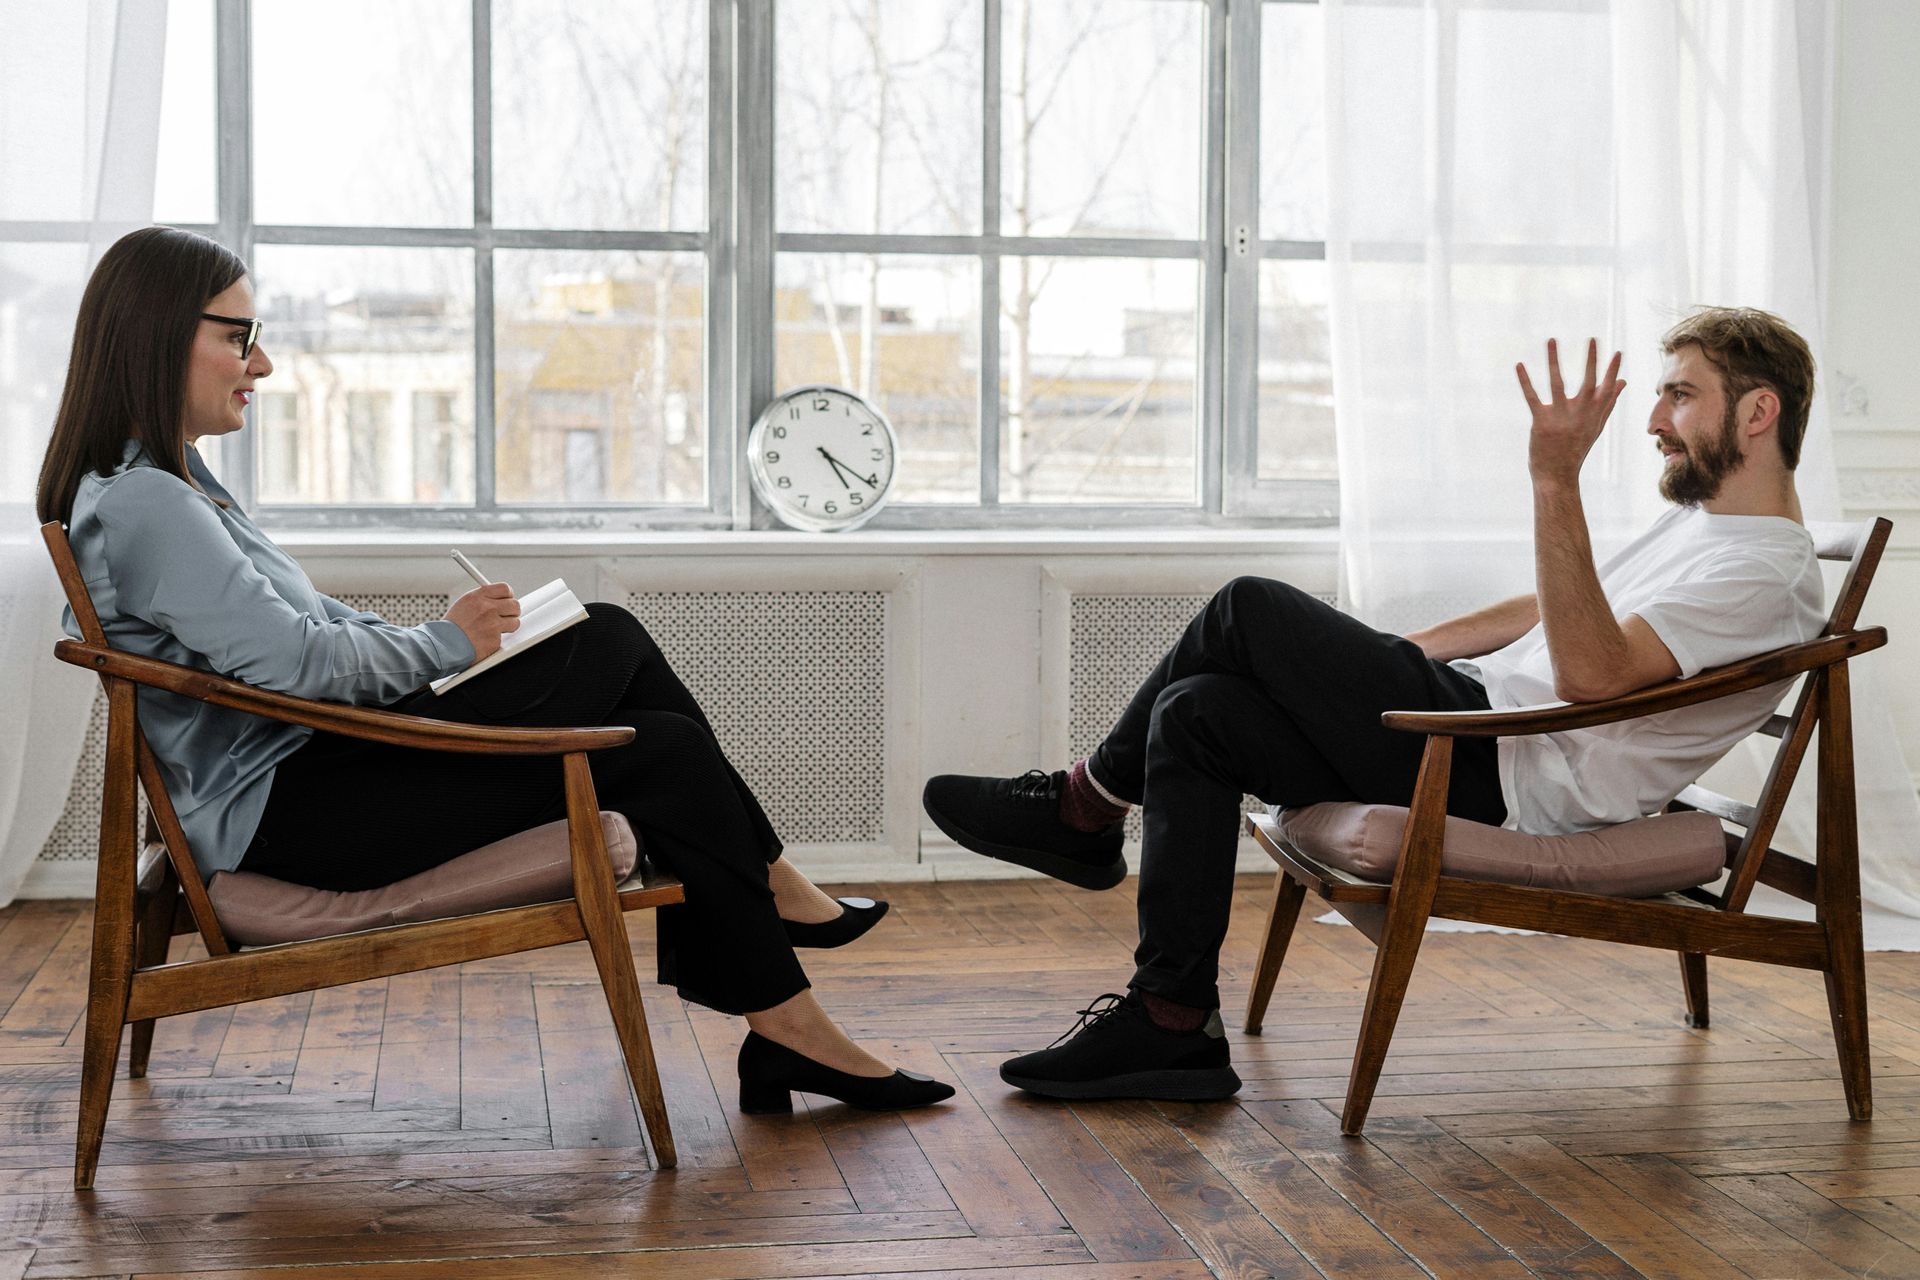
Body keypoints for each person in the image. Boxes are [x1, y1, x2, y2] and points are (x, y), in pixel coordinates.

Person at [37, 226, 952, 1115]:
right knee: (609, 641)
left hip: (312, 779)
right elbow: (295, 664)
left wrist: (451, 645)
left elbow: (301, 629)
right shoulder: (152, 502)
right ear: (159, 335)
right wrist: (447, 645)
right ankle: (777, 912)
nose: (262, 366)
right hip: (295, 814)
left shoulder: (171, 484)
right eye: (241, 339)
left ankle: (788, 1019)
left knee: (657, 735)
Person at [924, 309, 1825, 1102]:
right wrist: (1391, 659)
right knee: (1196, 709)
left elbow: (1592, 676)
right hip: (1476, 723)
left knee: (1248, 605)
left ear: (1757, 411)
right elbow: (1551, 608)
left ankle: (1084, 808)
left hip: (1504, 771)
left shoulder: (1761, 573)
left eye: (1680, 396)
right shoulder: (1706, 528)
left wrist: (1554, 481)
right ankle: (1171, 1020)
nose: (1656, 422)